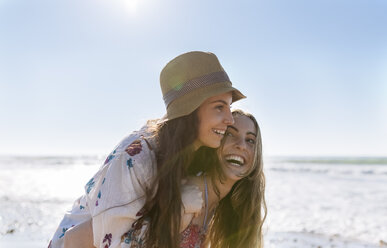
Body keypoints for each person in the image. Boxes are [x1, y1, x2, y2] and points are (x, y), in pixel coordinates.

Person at [48, 51, 246, 248]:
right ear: (190, 109)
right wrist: (178, 211)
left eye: (229, 107)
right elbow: (98, 242)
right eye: (219, 107)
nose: (229, 119)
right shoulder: (137, 156)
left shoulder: (194, 157)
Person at [121, 109, 266, 248]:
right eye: (230, 134)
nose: (241, 145)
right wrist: (179, 210)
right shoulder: (187, 195)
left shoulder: (227, 206)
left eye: (250, 140)